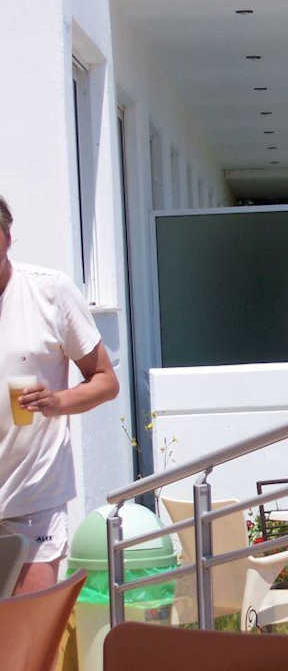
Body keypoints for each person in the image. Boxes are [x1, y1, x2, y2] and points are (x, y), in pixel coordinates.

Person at [0, 195, 119, 594]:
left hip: (34, 496)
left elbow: (105, 380)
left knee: (29, 628)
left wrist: (57, 402)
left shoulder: (49, 292)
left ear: (7, 238)